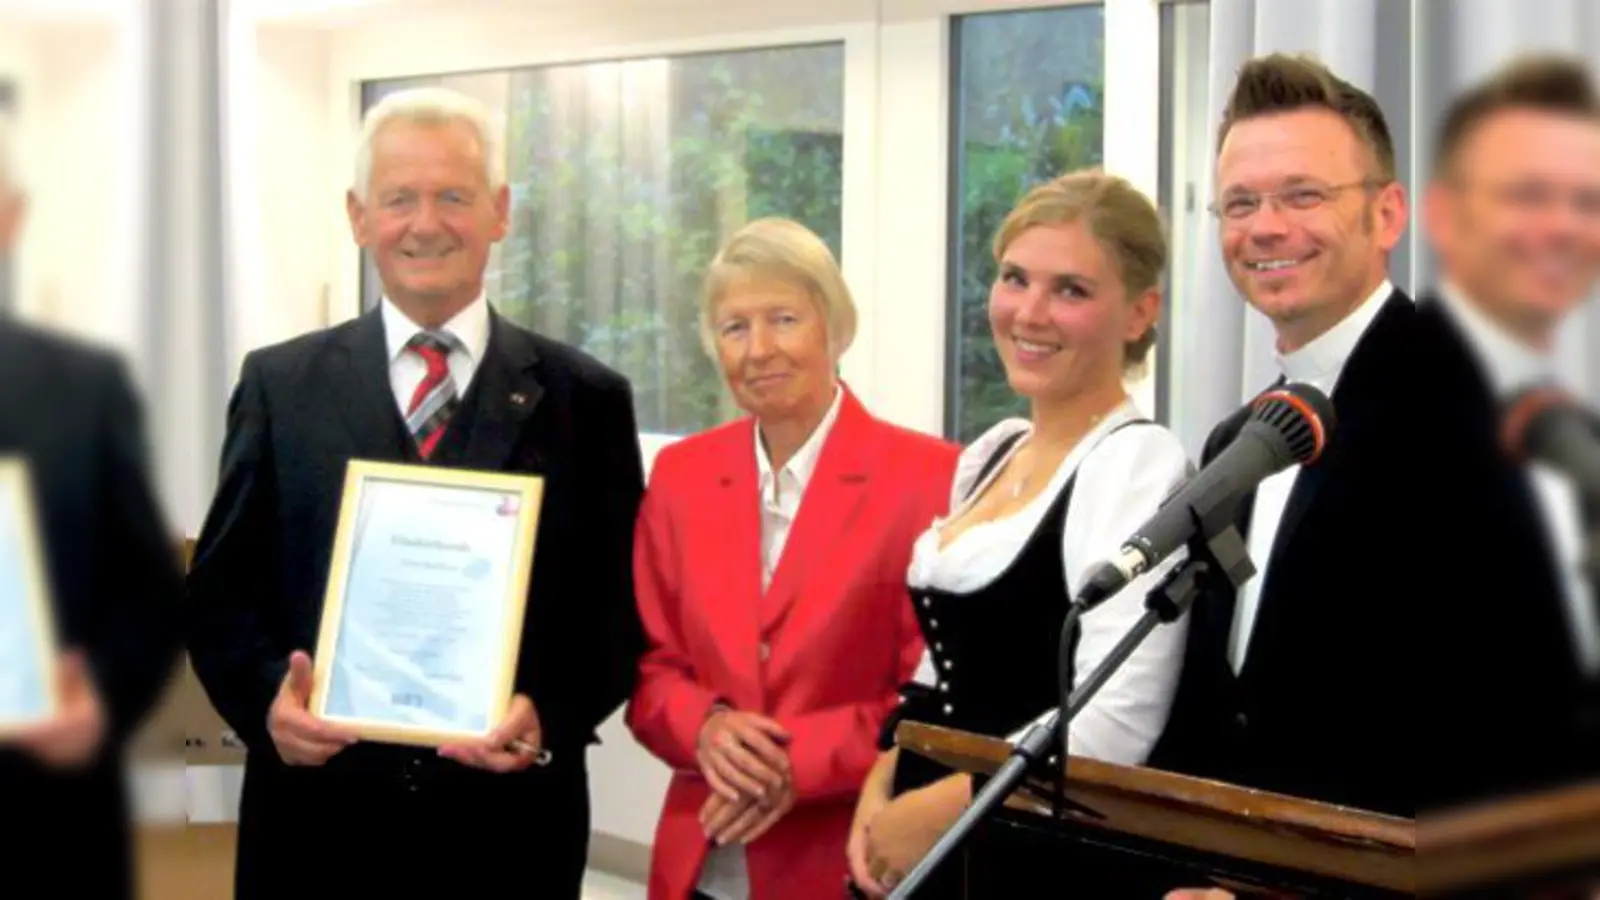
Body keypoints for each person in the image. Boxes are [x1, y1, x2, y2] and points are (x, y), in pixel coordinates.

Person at [185, 87, 646, 899]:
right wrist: (267, 705)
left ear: (500, 212)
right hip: (315, 827)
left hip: (508, 834)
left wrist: (547, 714)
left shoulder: (587, 398)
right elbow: (221, 597)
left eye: (454, 197)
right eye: (399, 198)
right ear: (360, 217)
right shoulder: (278, 383)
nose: (425, 223)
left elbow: (618, 615)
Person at [847, 169, 1192, 898]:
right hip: (925, 832)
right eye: (1014, 278)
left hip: (1023, 853)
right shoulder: (993, 453)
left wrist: (936, 816)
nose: (1029, 313)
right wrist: (879, 796)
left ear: (1140, 313)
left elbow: (1114, 724)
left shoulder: (1134, 465)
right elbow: (937, 675)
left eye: (1071, 289)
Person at [626, 218, 958, 900]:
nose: (760, 350)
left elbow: (930, 700)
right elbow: (651, 667)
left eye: (784, 319)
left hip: (844, 859)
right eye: (734, 327)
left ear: (836, 327)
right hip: (698, 854)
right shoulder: (681, 476)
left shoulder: (931, 479)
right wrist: (705, 728)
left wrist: (790, 766)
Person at [1146, 53, 1421, 830]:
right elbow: (1219, 708)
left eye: (1304, 195)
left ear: (1388, 215)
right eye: (1239, 203)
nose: (1266, 227)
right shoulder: (1242, 442)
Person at [0, 114, 184, 898]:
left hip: (46, 820)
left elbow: (148, 599)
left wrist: (98, 704)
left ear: (10, 217)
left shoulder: (86, 389)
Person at [1414, 54, 1600, 809]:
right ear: (1444, 217)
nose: (1560, 227)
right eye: (1527, 196)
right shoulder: (1384, 401)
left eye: (1585, 201)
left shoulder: (1572, 428)